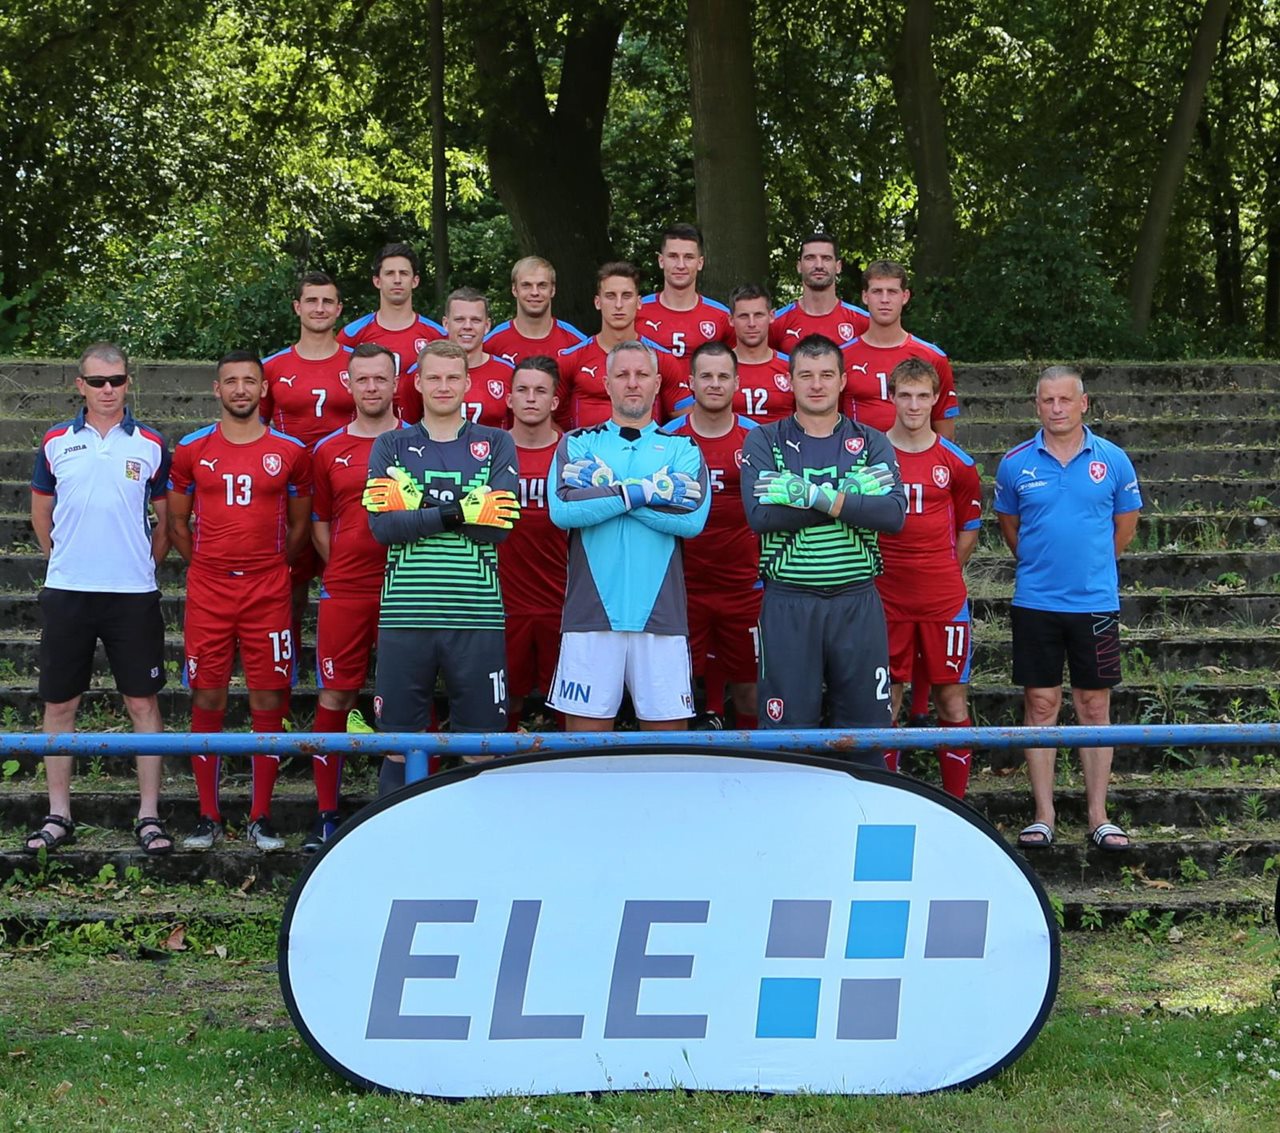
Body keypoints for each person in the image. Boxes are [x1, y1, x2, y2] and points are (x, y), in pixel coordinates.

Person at [24, 343, 173, 856]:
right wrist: (64, 560)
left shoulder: (151, 443)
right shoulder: (55, 441)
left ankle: (149, 814)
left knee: (142, 701)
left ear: (128, 382)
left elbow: (166, 521)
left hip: (132, 594)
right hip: (69, 591)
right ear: (80, 385)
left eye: (117, 380)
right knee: (60, 702)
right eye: (97, 381)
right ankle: (58, 814)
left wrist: (141, 564)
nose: (108, 390)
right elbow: (41, 514)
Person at [168, 351, 312, 851]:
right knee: (207, 695)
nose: (241, 389)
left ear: (264, 389)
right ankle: (208, 815)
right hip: (209, 589)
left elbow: (299, 527)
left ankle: (260, 815)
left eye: (250, 380)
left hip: (267, 589)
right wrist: (208, 564)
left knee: (268, 696)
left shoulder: (290, 451)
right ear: (217, 389)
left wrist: (269, 566)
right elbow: (177, 523)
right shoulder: (192, 449)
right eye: (231, 381)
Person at [363, 340, 520, 794]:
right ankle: (400, 834)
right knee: (399, 745)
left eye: (453, 377)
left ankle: (476, 834)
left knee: (481, 746)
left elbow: (498, 528)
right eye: (434, 377)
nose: (443, 386)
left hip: (477, 615)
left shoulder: (496, 442)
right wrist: (461, 510)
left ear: (468, 383)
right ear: (417, 383)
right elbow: (384, 528)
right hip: (405, 615)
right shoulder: (391, 444)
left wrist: (419, 505)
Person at [995, 366, 1142, 851]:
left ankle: (1098, 815)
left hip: (1095, 604)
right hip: (1035, 603)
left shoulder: (1114, 460)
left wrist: (1093, 566)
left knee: (1094, 705)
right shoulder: (1015, 463)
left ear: (1084, 403)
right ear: (1036, 405)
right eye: (1047, 400)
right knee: (1041, 704)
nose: (1056, 409)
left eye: (1064, 400)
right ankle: (1044, 814)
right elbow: (1011, 528)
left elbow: (1125, 526)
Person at [740, 334, 905, 753]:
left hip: (856, 600)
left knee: (868, 730)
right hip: (789, 602)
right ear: (789, 381)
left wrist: (805, 494)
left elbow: (891, 515)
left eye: (827, 375)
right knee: (787, 734)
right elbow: (762, 517)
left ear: (843, 380)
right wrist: (848, 497)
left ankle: (865, 797)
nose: (817, 384)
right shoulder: (764, 440)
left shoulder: (872, 441)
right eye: (806, 375)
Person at [547, 340, 710, 730]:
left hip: (661, 618)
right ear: (606, 384)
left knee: (666, 751)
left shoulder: (683, 447)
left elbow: (691, 520)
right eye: (622, 374)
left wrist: (607, 491)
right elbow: (563, 510)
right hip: (590, 617)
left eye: (641, 374)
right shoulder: (578, 443)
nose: (632, 383)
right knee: (584, 751)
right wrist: (650, 491)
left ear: (657, 383)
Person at [307, 343, 406, 852]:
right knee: (335, 696)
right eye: (362, 379)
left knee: (407, 697)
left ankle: (406, 808)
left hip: (406, 586)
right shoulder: (328, 449)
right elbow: (320, 522)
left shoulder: (417, 442)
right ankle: (326, 814)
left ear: (395, 383)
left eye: (380, 378)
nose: (371, 387)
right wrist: (346, 566)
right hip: (346, 589)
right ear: (348, 384)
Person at [877, 359, 982, 798]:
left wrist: (940, 567)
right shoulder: (871, 454)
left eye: (923, 396)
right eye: (906, 395)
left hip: (943, 599)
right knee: (887, 699)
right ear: (892, 397)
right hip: (885, 598)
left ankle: (955, 804)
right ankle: (885, 797)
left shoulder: (957, 462)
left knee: (951, 699)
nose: (914, 405)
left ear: (936, 399)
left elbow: (969, 527)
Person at [261, 271, 357, 680]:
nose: (320, 308)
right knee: (291, 586)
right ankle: (287, 666)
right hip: (292, 492)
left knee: (351, 581)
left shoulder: (359, 363)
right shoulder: (272, 367)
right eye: (312, 301)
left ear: (339, 309)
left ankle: (351, 667)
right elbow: (256, 433)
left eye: (327, 301)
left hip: (347, 489)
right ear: (297, 307)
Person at [661, 342, 760, 728]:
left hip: (745, 586)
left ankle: (751, 761)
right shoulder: (668, 439)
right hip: (682, 586)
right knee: (676, 687)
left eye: (723, 376)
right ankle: (684, 760)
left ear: (737, 382)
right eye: (706, 376)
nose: (714, 384)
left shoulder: (757, 439)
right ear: (690, 383)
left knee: (750, 687)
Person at [498, 355, 569, 730]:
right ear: (508, 398)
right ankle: (502, 764)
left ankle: (569, 765)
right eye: (522, 390)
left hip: (563, 598)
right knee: (505, 696)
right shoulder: (490, 451)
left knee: (569, 697)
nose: (530, 398)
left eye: (540, 391)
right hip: (502, 600)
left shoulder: (573, 453)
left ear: (554, 401)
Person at [556, 262, 688, 431]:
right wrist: (570, 444)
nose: (618, 304)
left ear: (639, 302)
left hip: (646, 448)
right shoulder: (571, 359)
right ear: (597, 302)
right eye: (610, 296)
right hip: (585, 447)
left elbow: (686, 419)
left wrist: (662, 444)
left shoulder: (662, 359)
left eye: (626, 296)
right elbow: (542, 417)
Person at [840, 260, 958, 441]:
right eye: (877, 291)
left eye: (892, 292)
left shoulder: (933, 357)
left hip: (913, 455)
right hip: (859, 456)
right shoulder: (841, 357)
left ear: (905, 296)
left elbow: (945, 434)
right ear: (865, 296)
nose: (884, 299)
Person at [398, 287, 514, 427]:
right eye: (459, 319)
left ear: (487, 325)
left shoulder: (508, 373)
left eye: (476, 320)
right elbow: (407, 427)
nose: (467, 326)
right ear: (446, 324)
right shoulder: (420, 372)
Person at [338, 243, 445, 375]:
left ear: (415, 281)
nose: (397, 280)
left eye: (404, 273)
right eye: (389, 273)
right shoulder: (351, 335)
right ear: (377, 281)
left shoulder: (437, 335)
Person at [639, 223, 732, 367]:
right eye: (673, 256)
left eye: (688, 257)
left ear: (700, 263)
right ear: (661, 261)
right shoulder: (637, 311)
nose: (681, 265)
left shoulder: (723, 316)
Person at [769, 233, 870, 351]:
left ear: (838, 266)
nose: (819, 265)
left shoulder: (864, 322)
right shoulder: (775, 323)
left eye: (826, 258)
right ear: (799, 266)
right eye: (810, 258)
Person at [485, 256, 588, 365]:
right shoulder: (490, 344)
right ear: (514, 289)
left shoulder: (577, 343)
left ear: (553, 290)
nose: (534, 292)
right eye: (526, 285)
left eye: (542, 285)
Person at [730, 283, 794, 425]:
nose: (752, 323)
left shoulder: (792, 367)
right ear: (731, 320)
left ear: (771, 316)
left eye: (758, 315)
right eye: (743, 316)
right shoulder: (719, 368)